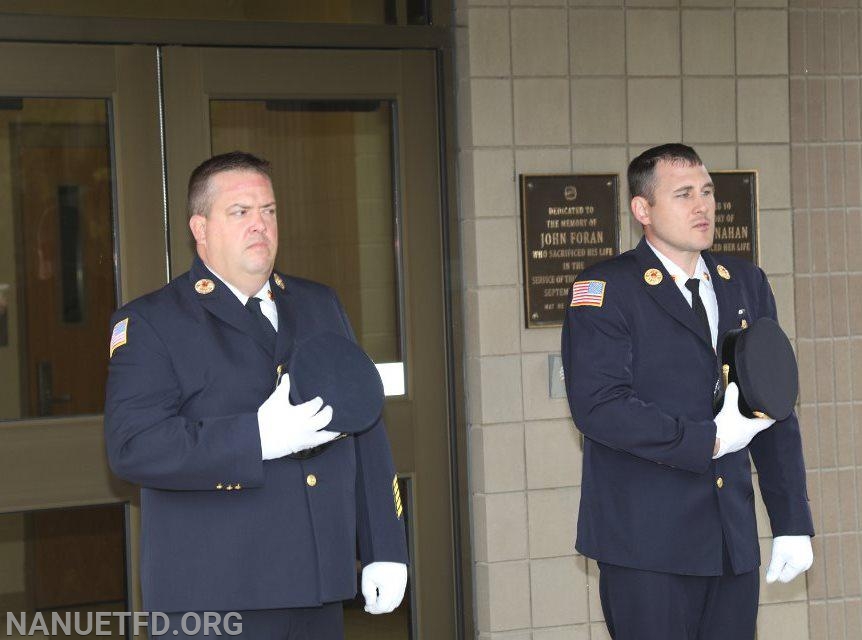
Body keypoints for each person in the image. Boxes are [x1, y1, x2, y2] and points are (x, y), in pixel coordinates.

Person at [104, 151, 408, 639]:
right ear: (199, 229)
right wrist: (256, 439)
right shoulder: (152, 322)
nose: (260, 225)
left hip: (318, 584)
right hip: (216, 593)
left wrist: (385, 546)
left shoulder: (318, 303)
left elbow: (364, 425)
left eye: (268, 211)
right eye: (240, 212)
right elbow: (133, 447)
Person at [562, 144, 814, 639]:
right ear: (643, 210)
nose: (702, 207)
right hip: (646, 545)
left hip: (728, 539)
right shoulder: (606, 289)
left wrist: (792, 520)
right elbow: (599, 407)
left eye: (707, 192)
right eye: (683, 195)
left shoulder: (744, 282)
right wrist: (709, 440)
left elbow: (773, 406)